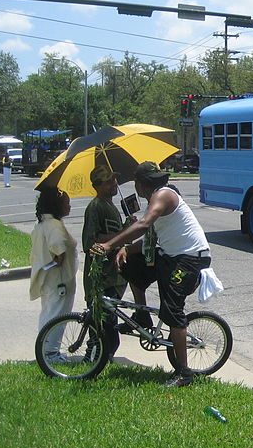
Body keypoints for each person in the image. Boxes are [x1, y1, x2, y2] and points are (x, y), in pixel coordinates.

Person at [94, 161, 211, 387]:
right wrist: (125, 249)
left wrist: (109, 245)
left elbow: (144, 225)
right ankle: (142, 317)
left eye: (135, 182)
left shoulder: (163, 196)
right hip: (169, 254)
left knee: (172, 311)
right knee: (131, 264)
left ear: (140, 184)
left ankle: (184, 373)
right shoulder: (154, 199)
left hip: (189, 259)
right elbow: (149, 241)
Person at [81, 166, 144, 360]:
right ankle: (93, 361)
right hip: (101, 277)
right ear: (97, 186)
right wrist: (123, 234)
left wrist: (127, 227)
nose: (113, 184)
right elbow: (89, 242)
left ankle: (100, 359)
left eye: (114, 180)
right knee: (102, 327)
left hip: (114, 276)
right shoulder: (95, 207)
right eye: (108, 181)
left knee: (109, 327)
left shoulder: (110, 205)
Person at [29, 186, 79, 363]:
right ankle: (50, 354)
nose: (69, 206)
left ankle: (46, 350)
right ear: (57, 204)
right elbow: (59, 250)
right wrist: (60, 258)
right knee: (57, 316)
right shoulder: (55, 226)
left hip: (49, 280)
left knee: (48, 314)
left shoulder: (43, 223)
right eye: (66, 202)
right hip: (59, 281)